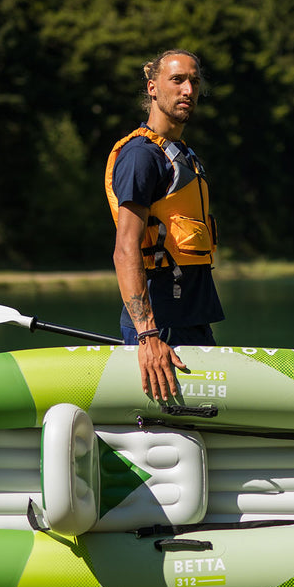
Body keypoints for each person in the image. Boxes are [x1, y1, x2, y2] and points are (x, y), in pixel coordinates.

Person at [105, 49, 224, 400]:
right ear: (153, 87)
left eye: (194, 81)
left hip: (193, 321)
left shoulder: (182, 154)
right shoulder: (142, 156)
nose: (188, 90)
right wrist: (148, 336)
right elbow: (125, 248)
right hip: (161, 333)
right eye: (178, 80)